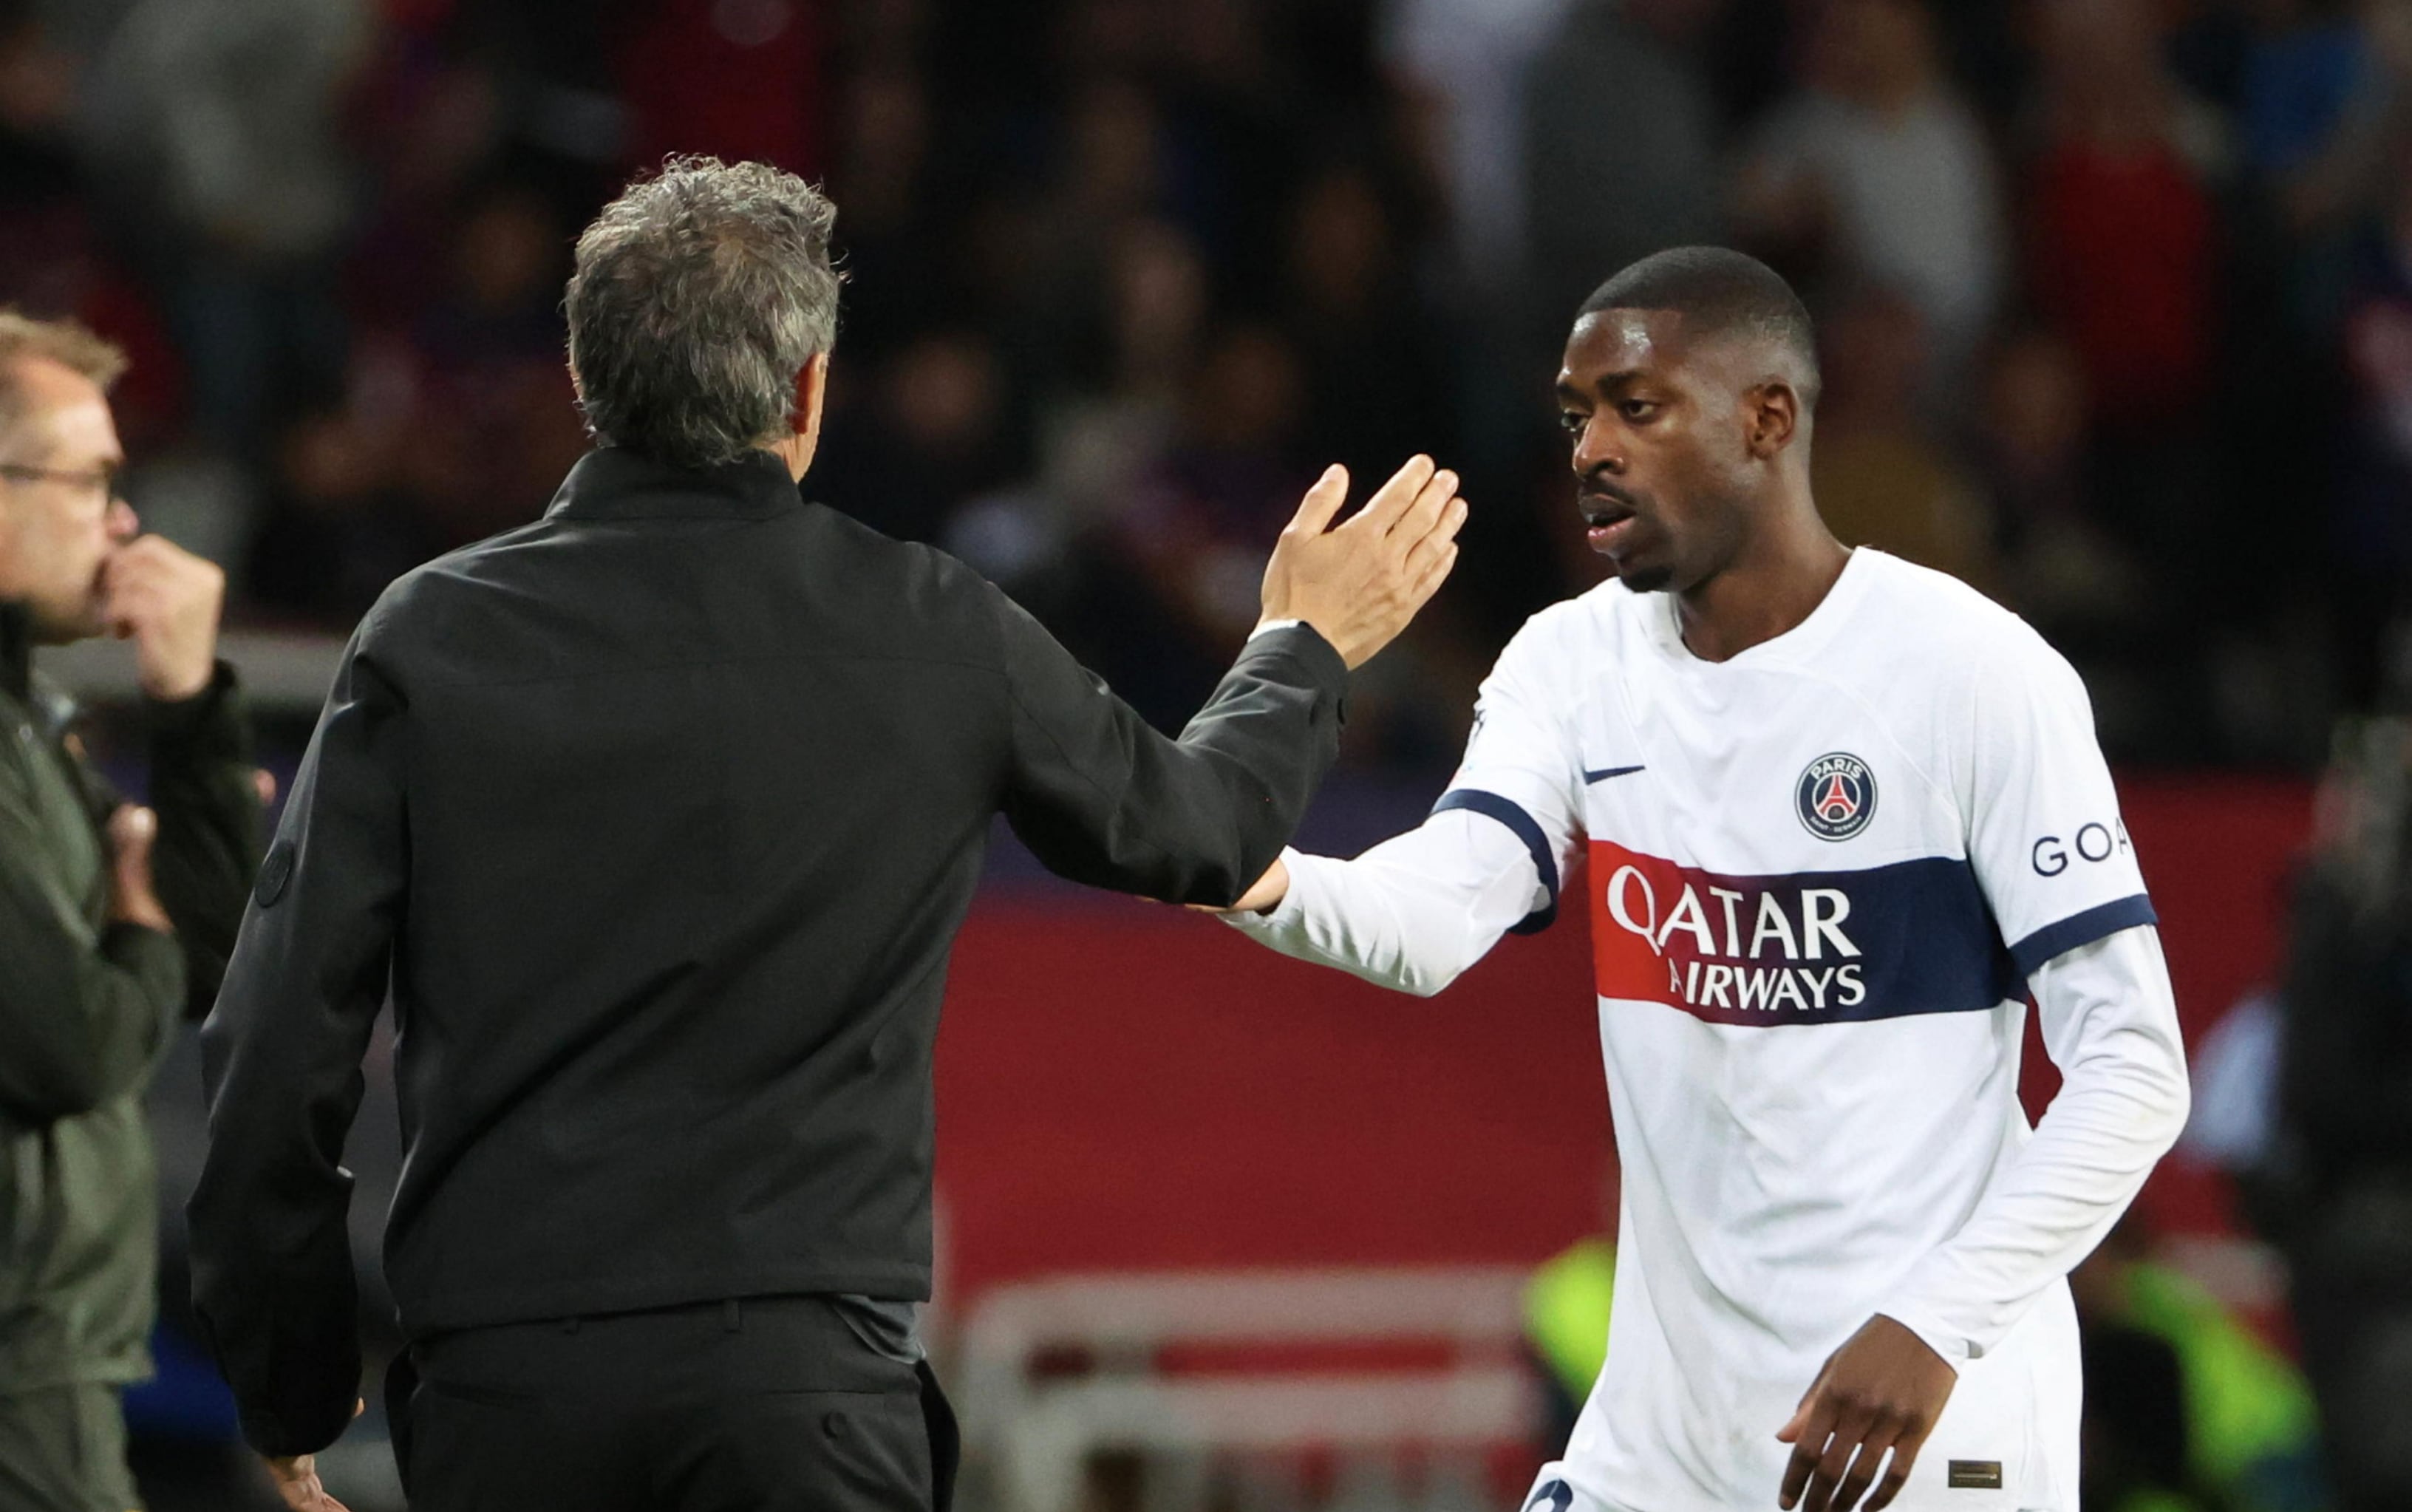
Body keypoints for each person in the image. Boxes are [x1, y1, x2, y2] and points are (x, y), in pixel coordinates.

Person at [184, 157, 1467, 1512]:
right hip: (810, 1402)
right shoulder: (932, 627)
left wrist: (292, 1380)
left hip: (513, 1401)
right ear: (806, 393)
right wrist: (1300, 647)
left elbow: (277, 1048)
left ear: (587, 381)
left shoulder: (426, 639)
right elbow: (1202, 832)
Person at [1213, 248, 2191, 1512]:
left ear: (1767, 418)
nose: (1590, 452)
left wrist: (1939, 1321)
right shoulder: (1571, 664)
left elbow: (2133, 1066)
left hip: (1932, 1425)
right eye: (1575, 418)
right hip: (1666, 1444)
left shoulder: (1972, 673)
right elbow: (1436, 916)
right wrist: (1235, 866)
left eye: (1637, 407)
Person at [0, 310, 262, 1511]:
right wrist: (138, 921)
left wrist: (194, 706)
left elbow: (204, 967)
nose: (121, 519)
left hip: (49, 1357)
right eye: (93, 478)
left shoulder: (27, 716)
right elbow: (77, 1042)